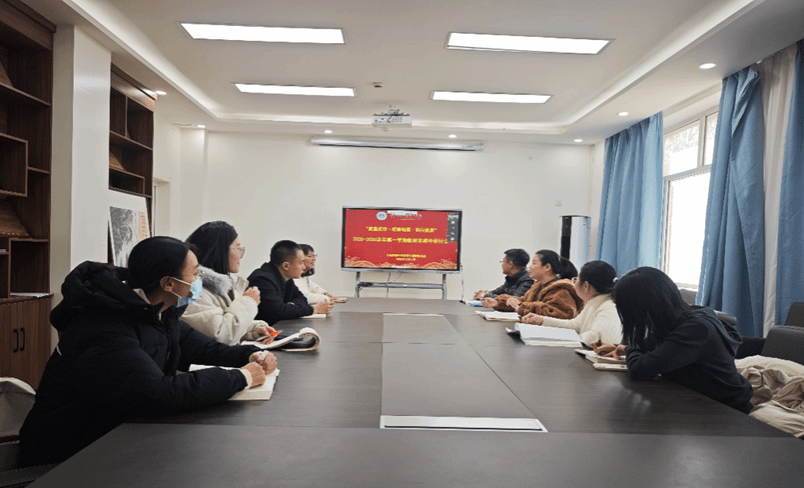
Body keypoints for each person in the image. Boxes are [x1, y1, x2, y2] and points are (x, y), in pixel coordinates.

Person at [18, 237, 277, 467]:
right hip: (68, 458)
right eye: (195, 273)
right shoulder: (104, 327)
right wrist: (241, 377)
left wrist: (249, 355)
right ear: (168, 283)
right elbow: (157, 394)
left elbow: (201, 347)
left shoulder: (157, 313)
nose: (198, 281)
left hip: (119, 439)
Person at [593, 267, 753, 414]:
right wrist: (621, 347)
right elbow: (650, 348)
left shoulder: (695, 329)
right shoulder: (680, 317)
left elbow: (640, 369)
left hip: (725, 411)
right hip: (697, 401)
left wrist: (628, 349)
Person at [183, 221, 277, 345]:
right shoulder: (193, 290)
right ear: (220, 250)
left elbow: (225, 320)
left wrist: (254, 330)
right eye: (238, 248)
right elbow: (220, 335)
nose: (240, 254)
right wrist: (248, 302)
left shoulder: (228, 282)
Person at [521, 260, 621, 346]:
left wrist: (569, 337)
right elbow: (575, 325)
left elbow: (597, 339)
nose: (574, 282)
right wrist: (542, 320)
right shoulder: (595, 302)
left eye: (576, 279)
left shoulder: (609, 307)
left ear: (586, 286)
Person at [248, 240, 333, 325]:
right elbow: (278, 312)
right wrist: (313, 309)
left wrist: (289, 307)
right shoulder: (262, 279)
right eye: (300, 263)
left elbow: (302, 299)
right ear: (286, 266)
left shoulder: (286, 278)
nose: (303, 267)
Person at [484, 249, 581, 318]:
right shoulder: (537, 286)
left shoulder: (561, 290)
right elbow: (523, 301)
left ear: (547, 267)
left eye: (534, 263)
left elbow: (559, 313)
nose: (530, 267)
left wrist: (520, 306)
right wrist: (498, 303)